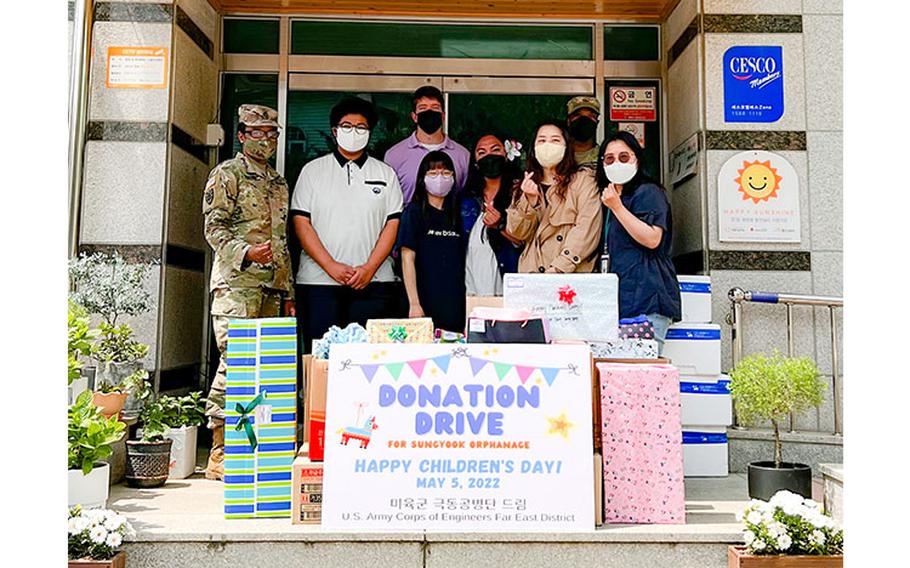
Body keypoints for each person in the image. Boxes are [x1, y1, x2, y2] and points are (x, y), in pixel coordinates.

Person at [201, 104, 295, 481]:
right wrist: (246, 253)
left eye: (272, 134)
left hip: (272, 288)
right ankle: (220, 451)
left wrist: (287, 292)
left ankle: (256, 448)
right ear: (242, 135)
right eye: (259, 133)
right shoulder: (227, 174)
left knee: (265, 369)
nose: (267, 140)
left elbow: (281, 241)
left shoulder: (278, 182)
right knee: (236, 364)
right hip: (236, 287)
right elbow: (214, 228)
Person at [290, 97, 403, 353]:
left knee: (369, 361)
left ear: (370, 133)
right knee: (319, 360)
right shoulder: (312, 171)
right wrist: (331, 266)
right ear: (334, 131)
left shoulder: (386, 173)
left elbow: (392, 225)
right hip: (319, 283)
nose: (354, 132)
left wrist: (369, 268)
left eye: (361, 127)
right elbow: (301, 223)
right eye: (347, 125)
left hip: (374, 283)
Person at [597, 130, 681, 351]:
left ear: (637, 158)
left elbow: (652, 238)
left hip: (647, 298)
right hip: (621, 300)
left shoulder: (649, 192)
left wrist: (617, 207)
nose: (616, 163)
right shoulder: (611, 198)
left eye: (624, 157)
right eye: (609, 158)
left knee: (642, 373)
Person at [507, 122, 602, 274]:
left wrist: (558, 268)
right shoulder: (526, 183)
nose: (548, 145)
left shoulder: (583, 180)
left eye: (555, 140)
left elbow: (587, 228)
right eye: (542, 140)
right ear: (534, 147)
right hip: (532, 274)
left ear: (567, 145)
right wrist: (530, 202)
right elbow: (518, 234)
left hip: (569, 277)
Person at [398, 151, 466, 332]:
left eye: (446, 173)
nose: (440, 178)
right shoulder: (413, 213)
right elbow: (407, 259)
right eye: (433, 173)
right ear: (422, 178)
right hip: (422, 303)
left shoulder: (458, 215)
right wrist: (414, 303)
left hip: (455, 303)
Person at [384, 86, 470, 204]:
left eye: (435, 107)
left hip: (450, 221)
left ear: (443, 116)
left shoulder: (462, 155)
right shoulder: (394, 155)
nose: (429, 112)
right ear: (414, 116)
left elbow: (463, 196)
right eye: (423, 108)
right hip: (408, 221)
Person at [461, 133, 523, 295]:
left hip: (511, 281)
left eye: (495, 150)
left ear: (506, 154)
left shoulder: (520, 193)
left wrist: (500, 225)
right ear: (475, 162)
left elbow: (528, 240)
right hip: (472, 283)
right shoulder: (466, 199)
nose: (489, 156)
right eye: (481, 152)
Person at [566, 96, 602, 167]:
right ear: (568, 121)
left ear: (597, 122)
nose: (584, 119)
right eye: (577, 115)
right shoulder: (558, 155)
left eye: (591, 116)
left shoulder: (604, 156)